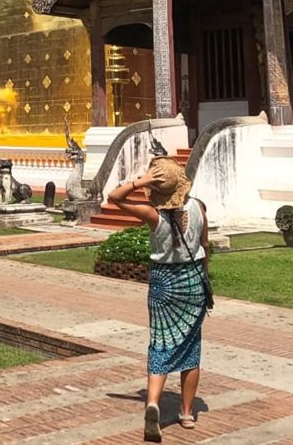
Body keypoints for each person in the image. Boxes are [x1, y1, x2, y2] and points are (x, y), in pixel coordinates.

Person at [107, 152, 209, 440]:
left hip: (163, 283)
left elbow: (115, 197)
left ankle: (153, 402)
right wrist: (204, 283)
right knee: (191, 348)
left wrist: (141, 181)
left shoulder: (153, 215)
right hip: (193, 282)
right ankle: (187, 413)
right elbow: (205, 248)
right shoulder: (199, 208)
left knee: (161, 343)